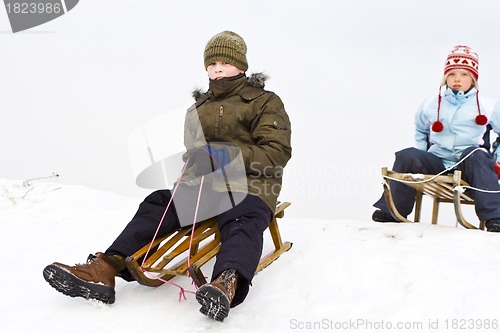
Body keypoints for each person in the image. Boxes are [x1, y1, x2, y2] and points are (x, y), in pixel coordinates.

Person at [43, 31, 292, 322]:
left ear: (241, 66)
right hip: (206, 189)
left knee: (242, 219)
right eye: (211, 64)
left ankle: (227, 281)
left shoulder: (264, 102)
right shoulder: (197, 110)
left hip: (250, 186)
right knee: (159, 203)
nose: (217, 68)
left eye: (225, 62)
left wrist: (229, 155)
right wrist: (196, 162)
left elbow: (277, 153)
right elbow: (196, 153)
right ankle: (106, 268)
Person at [372, 45, 500, 232]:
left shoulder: (488, 106)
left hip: (470, 165)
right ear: (445, 77)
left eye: (464, 74)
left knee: (476, 155)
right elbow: (421, 129)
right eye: (452, 74)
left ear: (473, 78)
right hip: (439, 162)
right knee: (408, 155)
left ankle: (494, 217)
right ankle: (393, 210)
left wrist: (497, 159)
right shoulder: (430, 104)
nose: (457, 79)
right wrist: (422, 156)